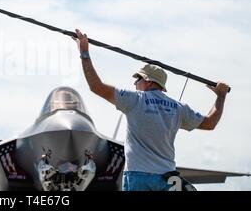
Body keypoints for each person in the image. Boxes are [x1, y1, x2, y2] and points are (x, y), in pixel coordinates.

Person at [73, 29, 229, 191]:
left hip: (137, 177)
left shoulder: (135, 99)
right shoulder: (178, 108)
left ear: (148, 82)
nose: (135, 84)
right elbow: (210, 123)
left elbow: (95, 86)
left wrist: (84, 52)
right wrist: (221, 96)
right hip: (167, 180)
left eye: (138, 79)